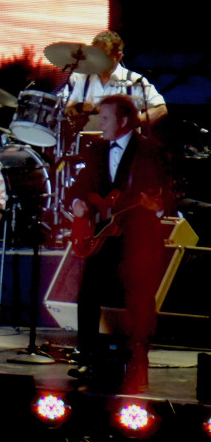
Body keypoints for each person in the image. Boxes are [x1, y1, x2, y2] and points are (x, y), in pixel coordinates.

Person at [67, 94, 174, 393]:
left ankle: (139, 357)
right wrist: (77, 203)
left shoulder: (152, 151)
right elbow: (80, 186)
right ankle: (86, 355)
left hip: (137, 237)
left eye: (104, 118)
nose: (99, 124)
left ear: (124, 120)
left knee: (140, 296)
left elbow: (167, 195)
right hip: (102, 236)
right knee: (87, 293)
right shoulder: (96, 149)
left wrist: (154, 205)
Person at [64, 30, 167, 127]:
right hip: (86, 142)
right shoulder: (81, 78)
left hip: (123, 144)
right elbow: (65, 111)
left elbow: (161, 109)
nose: (98, 60)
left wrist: (134, 122)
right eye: (96, 55)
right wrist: (80, 107)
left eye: (104, 56)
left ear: (118, 56)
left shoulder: (134, 80)